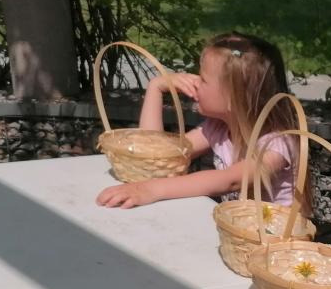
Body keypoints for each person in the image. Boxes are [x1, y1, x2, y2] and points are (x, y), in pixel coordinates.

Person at [96, 32, 305, 212]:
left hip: (277, 242)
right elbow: (157, 155)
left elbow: (230, 180)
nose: (195, 82)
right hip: (239, 235)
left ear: (233, 98)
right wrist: (156, 88)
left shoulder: (276, 144)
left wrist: (151, 190)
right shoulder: (217, 128)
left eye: (203, 79)